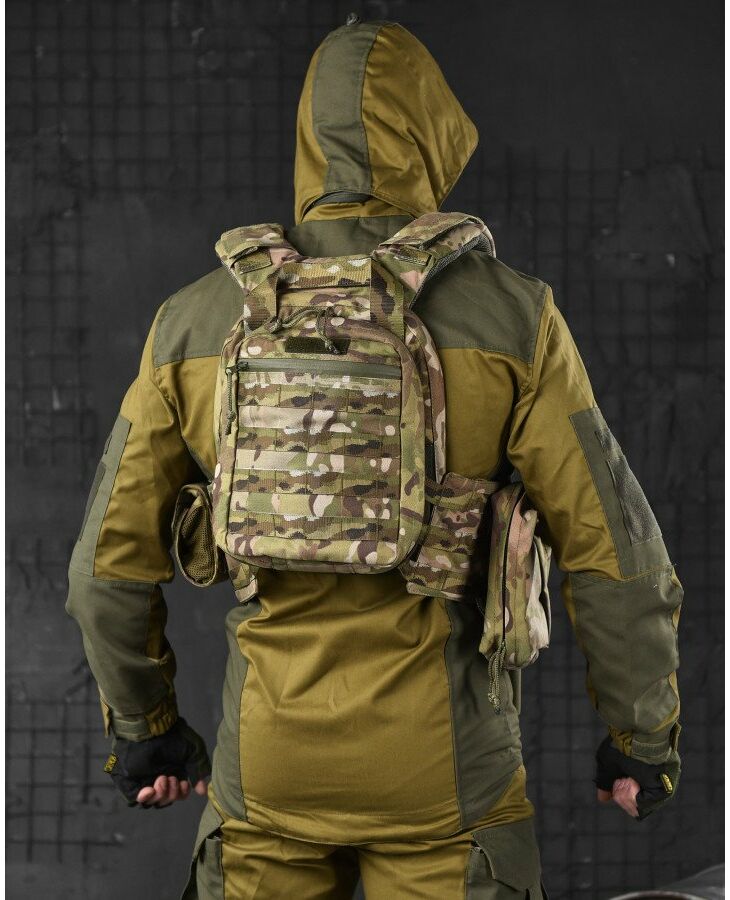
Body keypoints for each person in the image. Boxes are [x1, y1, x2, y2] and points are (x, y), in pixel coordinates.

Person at [65, 16, 683, 899]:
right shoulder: (514, 317)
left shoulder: (193, 322)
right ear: (431, 134)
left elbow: (104, 569)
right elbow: (614, 551)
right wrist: (641, 738)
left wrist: (146, 730)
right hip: (448, 778)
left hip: (267, 769)